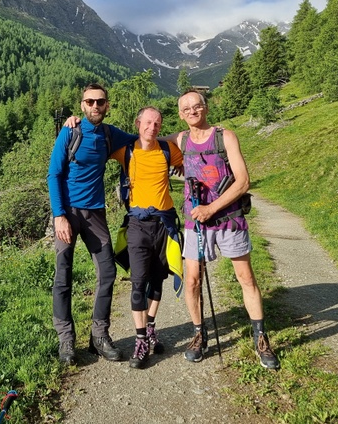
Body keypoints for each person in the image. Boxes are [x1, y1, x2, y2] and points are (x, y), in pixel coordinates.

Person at [175, 90, 280, 369]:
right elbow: (147, 137)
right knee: (193, 281)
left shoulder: (226, 137)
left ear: (206, 108)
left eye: (197, 106)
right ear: (180, 115)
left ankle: (260, 338)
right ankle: (199, 334)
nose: (192, 111)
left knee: (245, 277)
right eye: (186, 109)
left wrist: (211, 208)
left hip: (229, 218)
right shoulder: (181, 140)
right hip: (195, 221)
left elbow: (243, 181)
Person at [47, 83, 137, 366]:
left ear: (107, 105)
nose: (95, 106)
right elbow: (53, 174)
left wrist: (186, 136)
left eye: (100, 102)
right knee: (63, 275)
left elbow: (145, 138)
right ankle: (66, 340)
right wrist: (59, 215)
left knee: (107, 271)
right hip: (68, 213)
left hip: (95, 213)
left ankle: (99, 336)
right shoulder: (70, 131)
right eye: (90, 102)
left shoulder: (110, 134)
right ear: (82, 104)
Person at [110, 106, 183, 369]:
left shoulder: (168, 150)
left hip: (164, 225)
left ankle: (150, 327)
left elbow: (191, 159)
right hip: (137, 225)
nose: (153, 127)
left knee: (158, 279)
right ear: (138, 123)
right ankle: (140, 340)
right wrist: (72, 124)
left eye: (157, 123)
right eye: (148, 122)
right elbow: (95, 144)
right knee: (138, 282)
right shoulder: (126, 151)